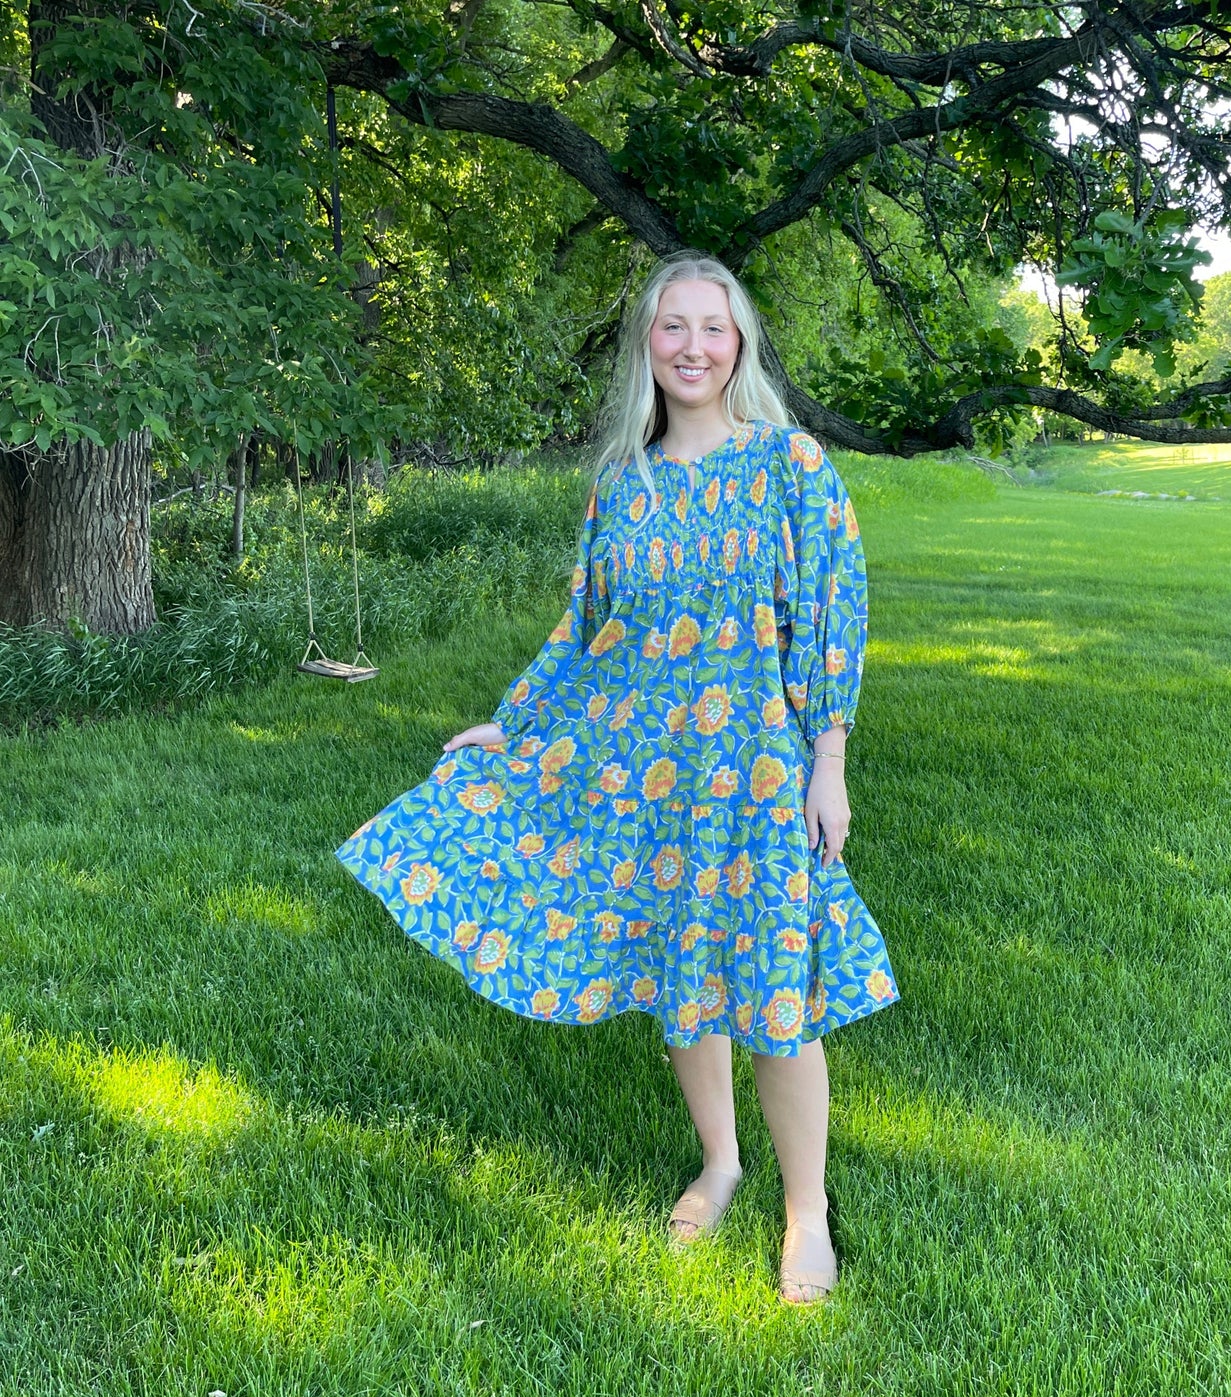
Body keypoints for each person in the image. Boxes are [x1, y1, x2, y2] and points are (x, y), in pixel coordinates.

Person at [337, 251, 899, 1304]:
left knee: (777, 992)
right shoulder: (621, 488)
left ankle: (804, 1210)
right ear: (646, 343)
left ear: (740, 344)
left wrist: (830, 761)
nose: (693, 346)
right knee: (683, 983)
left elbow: (831, 621)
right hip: (644, 772)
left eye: (713, 327)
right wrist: (510, 728)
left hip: (756, 773)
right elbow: (581, 634)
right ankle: (721, 1162)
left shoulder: (789, 465)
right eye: (671, 326)